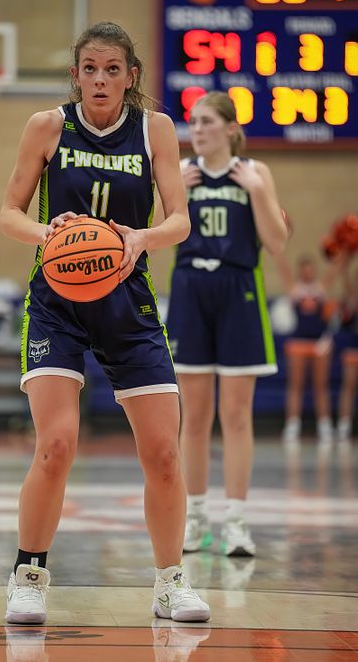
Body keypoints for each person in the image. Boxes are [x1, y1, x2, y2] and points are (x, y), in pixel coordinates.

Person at [0, 21, 210, 624]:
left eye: (112, 69)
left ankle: (170, 583)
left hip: (128, 300)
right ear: (76, 74)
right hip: (56, 303)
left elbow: (179, 220)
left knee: (164, 453)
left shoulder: (155, 129)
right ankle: (28, 575)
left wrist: (140, 238)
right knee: (56, 445)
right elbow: (9, 213)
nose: (100, 79)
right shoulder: (47, 126)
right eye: (89, 68)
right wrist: (48, 234)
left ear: (130, 76)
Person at [165, 91, 289, 557]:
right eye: (193, 121)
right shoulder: (181, 171)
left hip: (240, 291)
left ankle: (236, 521)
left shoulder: (255, 172)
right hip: (191, 289)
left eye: (207, 121)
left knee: (236, 415)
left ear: (231, 128)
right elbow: (158, 235)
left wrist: (257, 191)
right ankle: (195, 519)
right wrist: (175, 194)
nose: (197, 129)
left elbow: (276, 242)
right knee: (194, 416)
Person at [273, 252, 343, 446]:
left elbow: (334, 272)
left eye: (311, 270)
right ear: (300, 271)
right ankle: (292, 425)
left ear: (315, 271)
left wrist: (342, 253)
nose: (308, 273)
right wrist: (279, 251)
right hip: (298, 342)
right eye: (305, 270)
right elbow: (283, 268)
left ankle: (324, 426)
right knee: (295, 385)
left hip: (319, 343)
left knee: (321, 385)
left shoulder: (320, 289)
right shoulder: (295, 289)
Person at [336, 258, 358, 443]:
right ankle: (344, 425)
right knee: (348, 385)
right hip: (354, 348)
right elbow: (349, 289)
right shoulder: (353, 300)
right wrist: (344, 269)